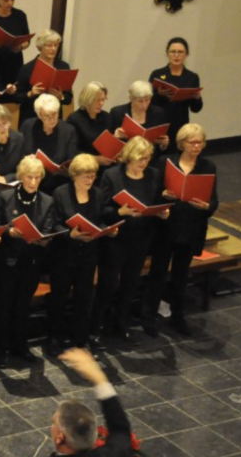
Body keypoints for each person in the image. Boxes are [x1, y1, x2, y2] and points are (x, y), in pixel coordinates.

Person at [0, 347, 134, 457]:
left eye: (53, 422)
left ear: (60, 437)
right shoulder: (114, 453)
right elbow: (121, 431)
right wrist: (100, 379)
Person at [145, 124, 218, 337]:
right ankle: (148, 317)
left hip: (191, 225)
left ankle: (178, 316)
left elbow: (213, 199)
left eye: (200, 142)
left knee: (180, 274)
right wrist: (164, 194)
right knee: (157, 273)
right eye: (192, 142)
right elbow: (153, 193)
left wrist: (207, 206)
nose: (196, 146)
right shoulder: (165, 162)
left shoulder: (208, 167)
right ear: (181, 143)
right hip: (167, 226)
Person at [95, 138, 168, 346]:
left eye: (147, 158)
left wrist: (162, 213)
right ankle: (97, 324)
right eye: (139, 159)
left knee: (130, 283)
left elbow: (156, 204)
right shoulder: (112, 175)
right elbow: (103, 210)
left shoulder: (153, 175)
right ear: (129, 157)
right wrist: (121, 211)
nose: (143, 163)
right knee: (108, 284)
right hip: (117, 239)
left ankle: (121, 323)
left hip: (141, 238)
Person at [0, 156, 56, 366]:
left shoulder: (47, 200)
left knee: (22, 306)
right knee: (2, 306)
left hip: (31, 261)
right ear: (21, 176)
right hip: (8, 261)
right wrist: (10, 231)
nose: (33, 182)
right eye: (29, 177)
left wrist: (43, 238)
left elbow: (49, 228)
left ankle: (20, 346)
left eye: (37, 177)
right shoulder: (7, 197)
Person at [48, 155, 112, 352]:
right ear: (74, 176)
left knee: (84, 297)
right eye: (85, 176)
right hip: (64, 254)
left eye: (92, 176)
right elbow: (54, 223)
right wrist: (70, 234)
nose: (89, 180)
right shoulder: (60, 193)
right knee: (59, 296)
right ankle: (55, 337)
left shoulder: (98, 194)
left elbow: (99, 219)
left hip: (88, 254)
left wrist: (106, 230)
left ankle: (80, 337)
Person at [21, 93, 78, 194]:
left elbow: (72, 160)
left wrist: (67, 171)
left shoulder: (68, 130)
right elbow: (19, 154)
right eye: (47, 116)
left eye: (54, 114)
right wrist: (27, 160)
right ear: (39, 115)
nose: (52, 119)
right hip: (32, 182)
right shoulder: (28, 126)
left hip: (58, 184)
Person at [148, 37, 203, 142]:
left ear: (186, 54)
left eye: (180, 52)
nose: (176, 55)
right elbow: (148, 102)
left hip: (180, 123)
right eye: (173, 52)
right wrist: (158, 93)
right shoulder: (157, 74)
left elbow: (196, 109)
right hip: (160, 122)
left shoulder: (192, 77)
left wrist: (197, 98)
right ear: (167, 53)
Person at [14, 29, 73, 122]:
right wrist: (30, 93)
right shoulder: (27, 68)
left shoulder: (63, 66)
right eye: (49, 45)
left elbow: (68, 98)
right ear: (41, 47)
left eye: (56, 45)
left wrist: (61, 96)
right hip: (31, 117)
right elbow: (17, 97)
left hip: (54, 119)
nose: (53, 49)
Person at [108, 81, 171, 156]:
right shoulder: (117, 113)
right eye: (140, 101)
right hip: (126, 158)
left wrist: (164, 145)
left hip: (151, 159)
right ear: (131, 99)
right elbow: (109, 144)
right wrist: (115, 137)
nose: (144, 105)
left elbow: (162, 147)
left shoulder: (158, 113)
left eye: (147, 100)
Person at [65, 82, 115, 168]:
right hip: (85, 166)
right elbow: (72, 151)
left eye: (103, 99)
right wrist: (95, 159)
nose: (101, 103)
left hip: (107, 165)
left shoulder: (106, 117)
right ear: (87, 99)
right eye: (97, 100)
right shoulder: (74, 119)